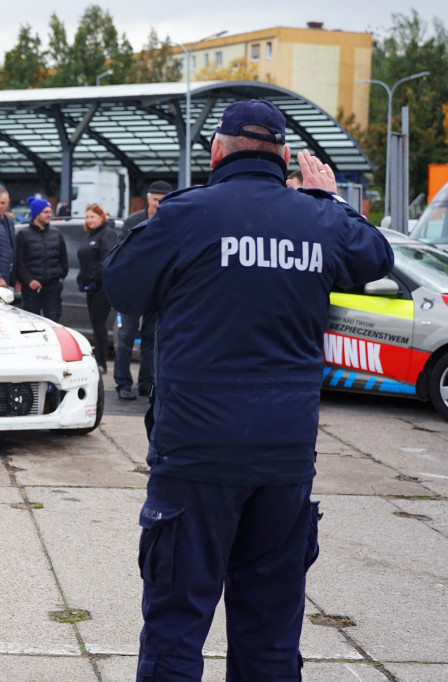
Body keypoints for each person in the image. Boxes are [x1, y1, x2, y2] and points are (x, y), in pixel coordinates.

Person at [102, 98, 393, 682]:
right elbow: (376, 256)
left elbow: (122, 287)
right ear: (285, 157)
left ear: (216, 152)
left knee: (177, 626)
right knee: (270, 634)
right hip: (284, 460)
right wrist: (328, 199)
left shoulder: (187, 215)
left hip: (196, 454)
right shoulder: (319, 218)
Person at [114, 180, 172, 400]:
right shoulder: (133, 222)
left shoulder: (169, 221)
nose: (159, 204)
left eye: (163, 200)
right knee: (126, 337)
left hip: (156, 290)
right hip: (131, 288)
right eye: (156, 199)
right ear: (149, 198)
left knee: (151, 338)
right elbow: (120, 252)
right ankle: (123, 383)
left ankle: (146, 383)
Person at [76, 203, 118, 373]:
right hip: (90, 287)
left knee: (99, 323)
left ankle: (102, 362)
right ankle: (98, 359)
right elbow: (86, 260)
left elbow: (106, 259)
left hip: (101, 286)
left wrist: (94, 279)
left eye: (93, 216)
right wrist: (81, 278)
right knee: (94, 323)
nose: (89, 220)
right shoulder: (90, 234)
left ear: (101, 217)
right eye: (87, 217)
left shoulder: (107, 233)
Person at [15, 196, 67, 320]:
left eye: (50, 212)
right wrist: (29, 280)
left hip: (52, 287)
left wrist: (59, 278)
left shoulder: (56, 234)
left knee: (53, 322)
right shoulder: (23, 235)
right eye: (46, 212)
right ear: (37, 214)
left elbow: (63, 259)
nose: (49, 215)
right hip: (31, 289)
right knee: (32, 323)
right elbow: (19, 262)